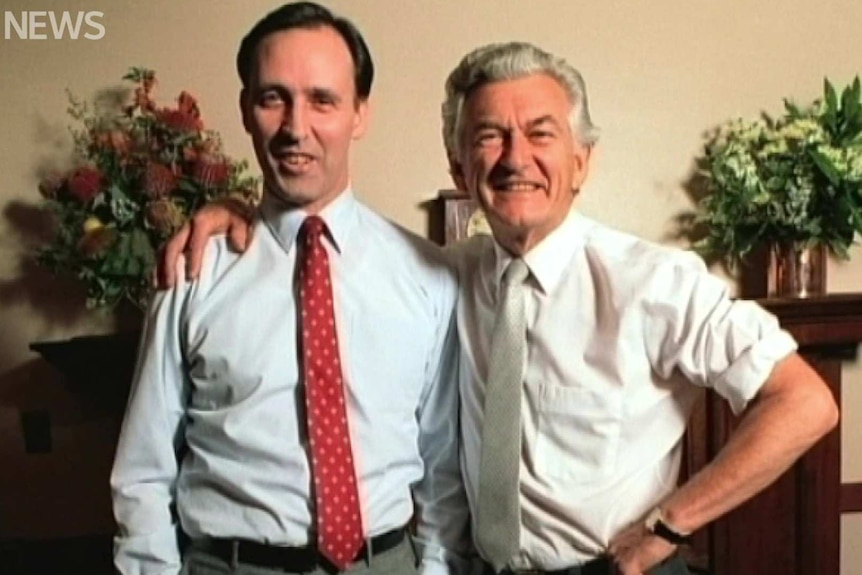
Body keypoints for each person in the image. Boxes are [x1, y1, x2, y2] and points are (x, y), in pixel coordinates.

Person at [160, 41, 839, 575]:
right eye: (489, 136)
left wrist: (667, 526)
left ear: (581, 161)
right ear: (460, 169)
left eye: (541, 133)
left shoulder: (655, 283)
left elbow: (806, 401)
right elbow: (326, 251)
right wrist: (237, 215)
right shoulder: (438, 276)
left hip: (613, 571)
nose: (516, 158)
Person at [110, 3, 470, 575]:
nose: (296, 127)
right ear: (246, 112)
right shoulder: (194, 268)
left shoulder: (429, 276)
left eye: (322, 100)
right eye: (273, 97)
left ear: (359, 113)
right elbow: (144, 471)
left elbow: (442, 462)